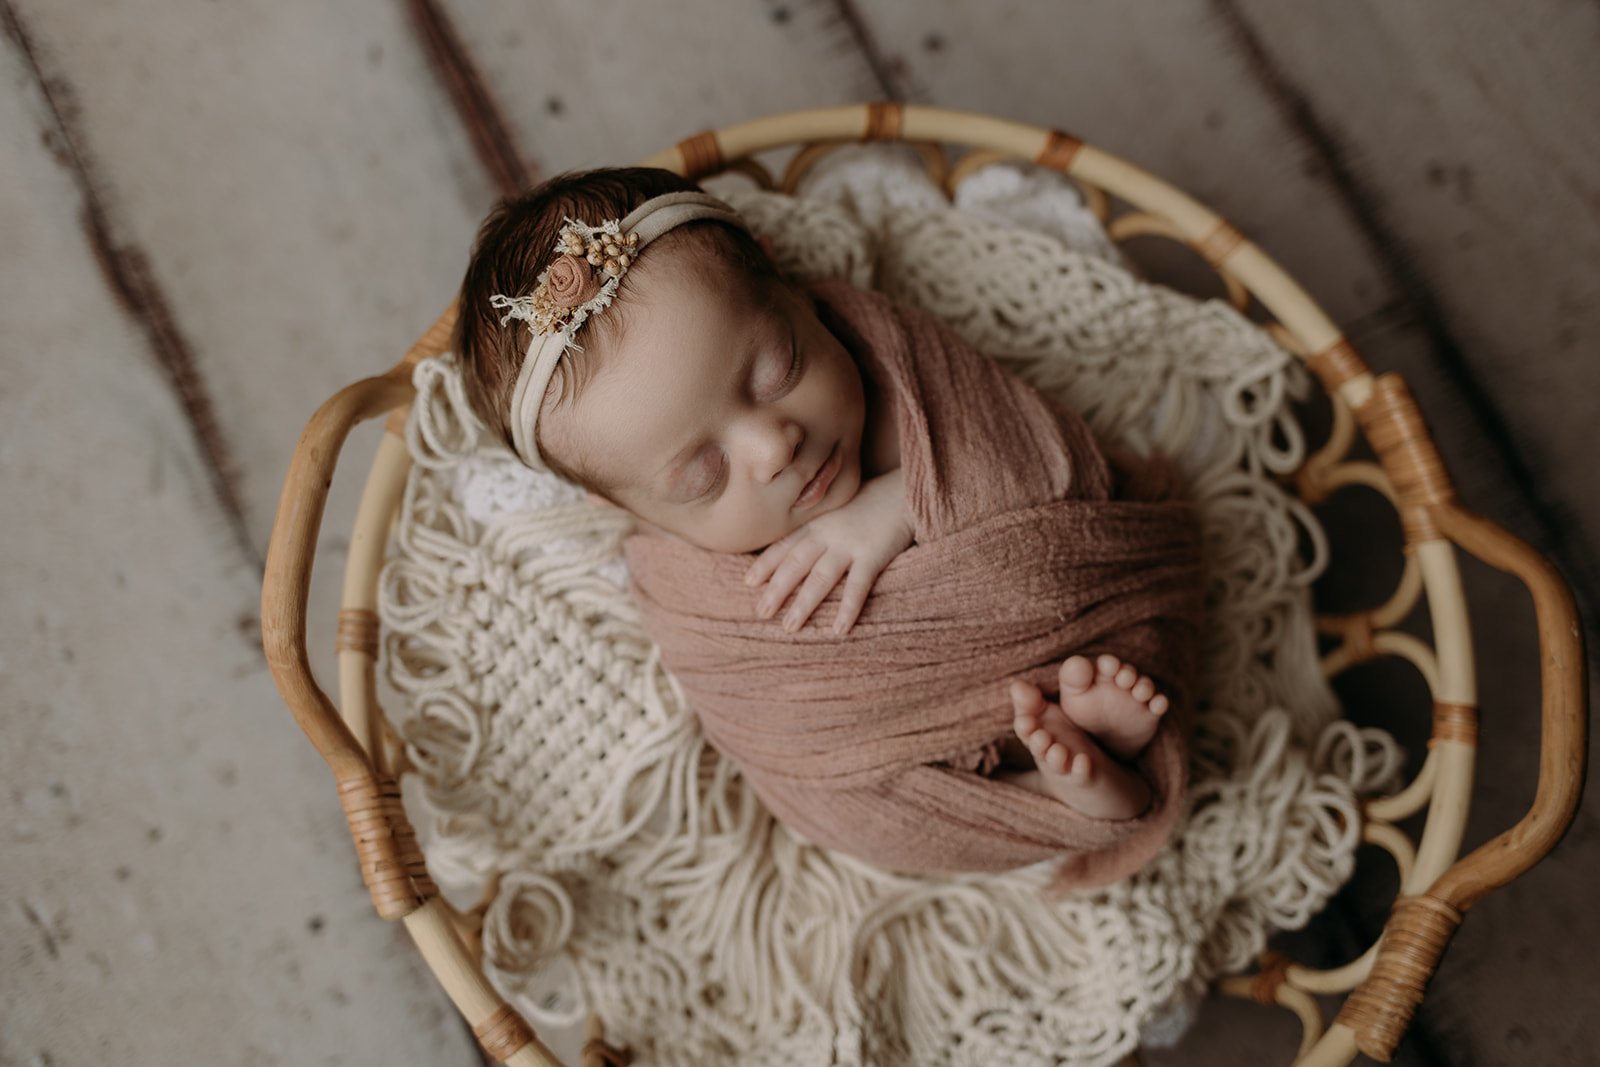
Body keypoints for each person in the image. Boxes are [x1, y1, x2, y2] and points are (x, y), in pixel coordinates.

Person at [453, 166, 1182, 830]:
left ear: (786, 282)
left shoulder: (893, 369)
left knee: (1103, 614)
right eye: (702, 475)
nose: (774, 447)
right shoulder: (691, 599)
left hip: (1094, 613)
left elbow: (1048, 465)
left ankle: (1094, 752)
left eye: (776, 370)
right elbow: (779, 739)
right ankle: (1056, 796)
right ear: (624, 510)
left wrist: (897, 503)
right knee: (850, 803)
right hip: (913, 757)